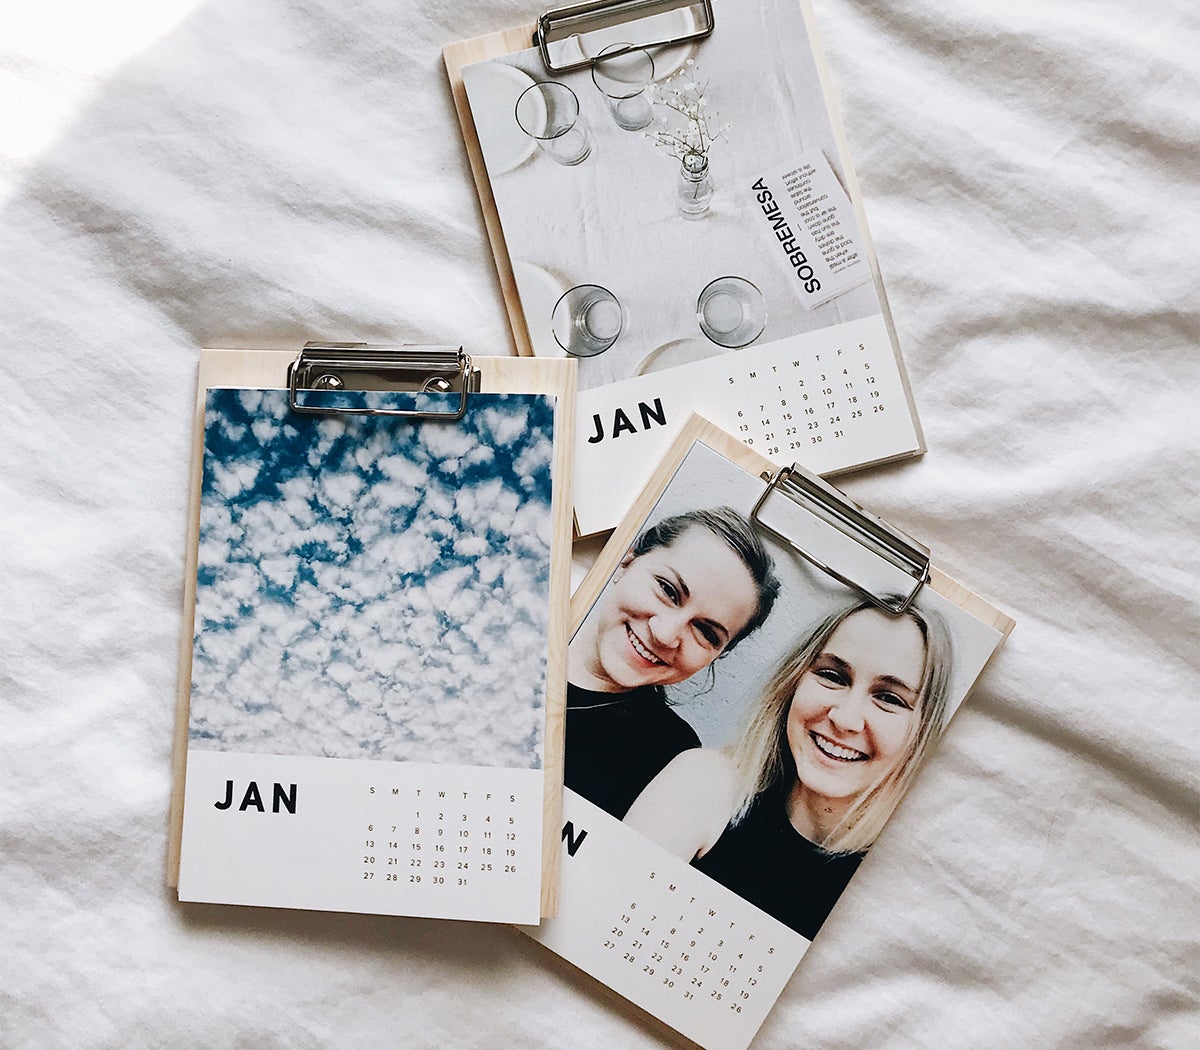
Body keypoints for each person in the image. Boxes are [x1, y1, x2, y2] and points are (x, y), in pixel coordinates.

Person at [624, 597, 953, 940]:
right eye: (832, 676)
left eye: (889, 698)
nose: (845, 718)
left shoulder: (907, 888)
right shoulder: (707, 781)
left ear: (923, 732)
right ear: (794, 681)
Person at [565, 507, 781, 819]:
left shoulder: (671, 760)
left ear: (717, 656)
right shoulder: (507, 618)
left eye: (705, 632)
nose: (666, 634)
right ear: (625, 561)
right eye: (668, 590)